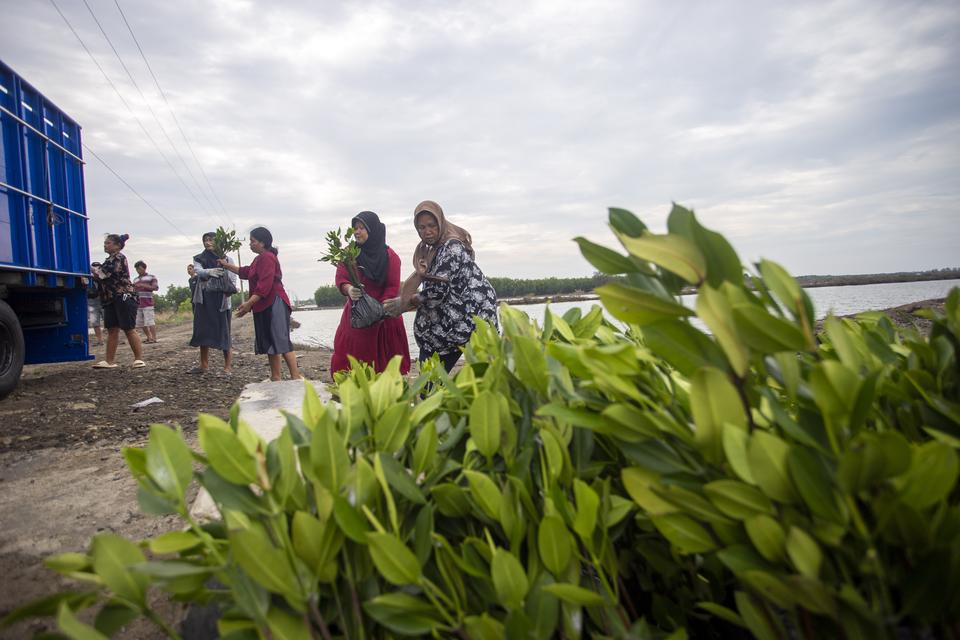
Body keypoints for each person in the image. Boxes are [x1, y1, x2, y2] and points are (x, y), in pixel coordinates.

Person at [383, 201, 498, 371]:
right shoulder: (431, 249)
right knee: (431, 377)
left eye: (431, 225)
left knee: (482, 373)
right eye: (421, 227)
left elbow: (438, 291)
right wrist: (417, 280)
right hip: (453, 316)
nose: (427, 231)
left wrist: (406, 303)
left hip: (472, 314)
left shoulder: (451, 246)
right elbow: (419, 286)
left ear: (440, 222)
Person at [330, 211, 411, 375]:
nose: (357, 231)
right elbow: (341, 277)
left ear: (372, 229)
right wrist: (349, 289)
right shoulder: (349, 253)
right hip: (356, 316)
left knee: (386, 369)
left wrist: (377, 310)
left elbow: (392, 286)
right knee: (349, 363)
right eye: (355, 228)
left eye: (361, 228)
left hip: (384, 315)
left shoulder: (391, 257)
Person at [220, 227, 302, 381]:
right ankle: (275, 377)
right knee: (271, 341)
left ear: (262, 242)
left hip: (274, 302)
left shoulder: (267, 258)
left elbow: (265, 285)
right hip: (264, 303)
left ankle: (295, 376)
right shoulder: (259, 259)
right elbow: (245, 272)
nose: (250, 244)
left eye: (253, 241)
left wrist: (248, 304)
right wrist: (226, 265)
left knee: (281, 339)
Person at [92, 234, 144, 369]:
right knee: (112, 329)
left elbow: (103, 274)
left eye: (108, 243)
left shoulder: (119, 258)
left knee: (129, 328)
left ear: (117, 245)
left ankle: (138, 359)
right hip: (110, 298)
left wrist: (90, 269)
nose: (105, 245)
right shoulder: (109, 259)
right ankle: (109, 361)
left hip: (123, 296)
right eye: (105, 243)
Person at [190, 232, 238, 374]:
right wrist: (210, 271)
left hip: (221, 299)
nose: (207, 243)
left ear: (218, 242)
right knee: (203, 331)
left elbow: (232, 276)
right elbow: (198, 271)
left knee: (224, 331)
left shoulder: (226, 258)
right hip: (204, 299)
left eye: (211, 240)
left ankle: (227, 367)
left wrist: (231, 289)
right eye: (205, 240)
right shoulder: (199, 258)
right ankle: (204, 365)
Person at [132, 260, 159, 343]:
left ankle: (154, 338)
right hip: (138, 303)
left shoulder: (151, 277)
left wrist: (143, 285)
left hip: (148, 303)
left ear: (144, 268)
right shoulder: (135, 280)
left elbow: (155, 287)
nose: (138, 270)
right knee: (141, 323)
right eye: (136, 269)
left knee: (149, 321)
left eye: (139, 268)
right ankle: (149, 337)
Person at [87, 262, 104, 347]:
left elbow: (100, 278)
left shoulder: (102, 276)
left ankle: (115, 339)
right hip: (91, 300)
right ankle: (100, 340)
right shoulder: (88, 277)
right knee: (95, 322)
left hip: (103, 299)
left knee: (109, 321)